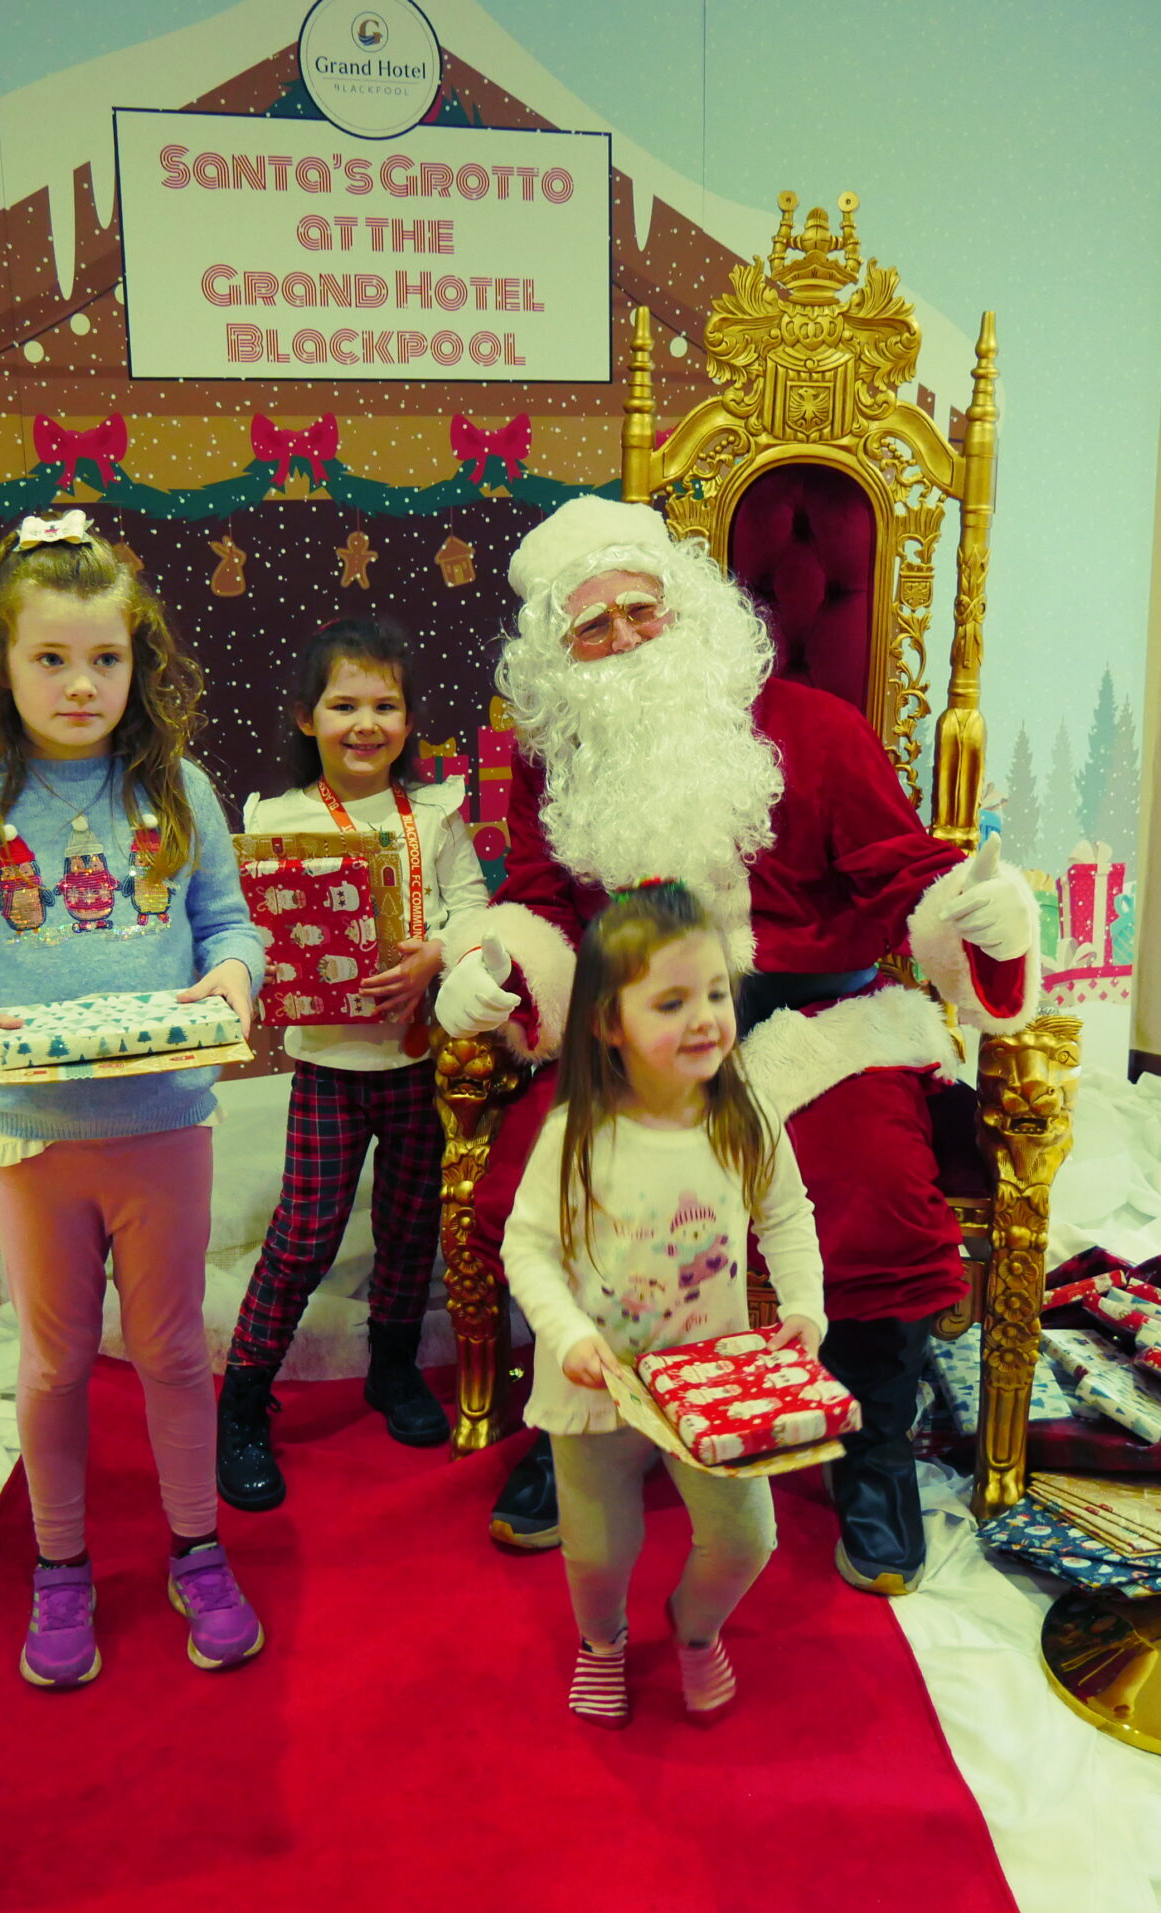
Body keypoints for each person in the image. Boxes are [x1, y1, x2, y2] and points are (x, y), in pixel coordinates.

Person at [437, 496, 1039, 1595]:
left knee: (873, 1187)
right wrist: (500, 971)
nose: (625, 638)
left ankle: (872, 1448)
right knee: (535, 1181)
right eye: (592, 626)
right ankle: (584, 1418)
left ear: (687, 608)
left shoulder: (817, 728)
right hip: (636, 1042)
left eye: (640, 610)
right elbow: (539, 904)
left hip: (819, 1029)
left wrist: (978, 917)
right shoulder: (555, 761)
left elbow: (902, 872)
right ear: (559, 656)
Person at [0, 509, 266, 1690]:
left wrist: (233, 973)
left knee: (173, 1352)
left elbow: (229, 923)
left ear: (137, 662)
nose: (81, 683)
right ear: (3, 665)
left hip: (164, 1123)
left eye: (105, 657)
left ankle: (196, 1545)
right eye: (50, 656)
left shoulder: (180, 788)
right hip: (32, 1137)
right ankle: (60, 1563)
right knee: (54, 1361)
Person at [501, 882, 824, 1725]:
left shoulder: (745, 1117)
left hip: (713, 1386)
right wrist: (567, 1334)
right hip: (598, 1387)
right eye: (671, 1002)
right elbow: (527, 1247)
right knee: (598, 1552)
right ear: (610, 1024)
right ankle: (602, 1640)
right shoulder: (578, 1134)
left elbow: (787, 1215)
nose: (706, 1019)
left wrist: (803, 1308)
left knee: (748, 1539)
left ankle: (694, 1625)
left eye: (716, 993)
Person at [217, 618, 488, 1508]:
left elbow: (473, 909)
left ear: (408, 720)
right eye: (344, 705)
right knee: (304, 1235)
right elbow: (250, 929)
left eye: (385, 705)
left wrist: (438, 953)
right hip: (330, 1068)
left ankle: (393, 1367)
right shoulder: (274, 821)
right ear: (307, 718)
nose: (365, 723)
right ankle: (242, 1400)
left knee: (411, 1228)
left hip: (423, 1062)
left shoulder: (437, 813)